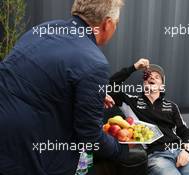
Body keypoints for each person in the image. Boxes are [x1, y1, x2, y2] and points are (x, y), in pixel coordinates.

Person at [0, 0, 128, 174]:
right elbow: (90, 136)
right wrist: (121, 149)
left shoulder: (46, 28)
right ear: (107, 24)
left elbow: (36, 77)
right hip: (32, 152)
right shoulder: (94, 62)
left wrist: (86, 94)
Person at [108, 58, 189, 175]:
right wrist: (134, 67)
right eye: (148, 76)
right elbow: (111, 86)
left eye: (157, 77)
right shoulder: (131, 101)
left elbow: (184, 130)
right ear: (143, 83)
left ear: (162, 86)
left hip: (179, 151)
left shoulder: (171, 106)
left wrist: (186, 151)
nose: (152, 78)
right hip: (157, 156)